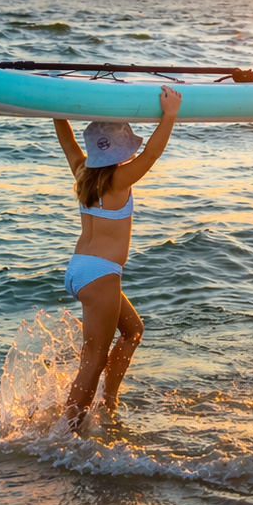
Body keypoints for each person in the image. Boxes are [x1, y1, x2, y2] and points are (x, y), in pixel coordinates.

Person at [53, 88, 181, 431]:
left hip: (80, 269)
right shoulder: (118, 179)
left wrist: (55, 109)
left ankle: (108, 401)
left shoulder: (82, 172)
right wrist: (169, 115)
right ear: (121, 151)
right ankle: (65, 433)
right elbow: (152, 154)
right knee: (93, 360)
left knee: (133, 331)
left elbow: (68, 142)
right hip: (101, 274)